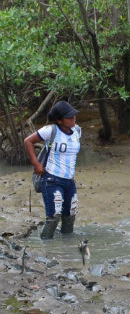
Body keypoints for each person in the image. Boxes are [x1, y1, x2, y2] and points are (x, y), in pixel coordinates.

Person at [24, 101, 82, 239]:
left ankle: (67, 245)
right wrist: (36, 164)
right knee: (54, 216)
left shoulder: (77, 131)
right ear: (59, 120)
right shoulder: (51, 130)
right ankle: (46, 247)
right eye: (69, 117)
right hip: (51, 179)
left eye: (74, 115)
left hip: (69, 181)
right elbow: (28, 141)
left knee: (70, 215)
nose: (73, 118)